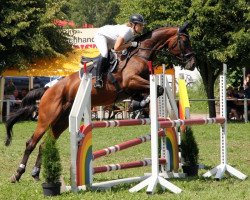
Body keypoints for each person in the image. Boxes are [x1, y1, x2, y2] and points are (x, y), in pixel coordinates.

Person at [93, 14, 146, 88]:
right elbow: (117, 48)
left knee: (111, 56)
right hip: (101, 35)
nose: (142, 27)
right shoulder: (127, 31)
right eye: (140, 25)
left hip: (110, 39)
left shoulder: (133, 33)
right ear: (134, 25)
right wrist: (130, 44)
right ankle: (98, 80)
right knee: (105, 53)